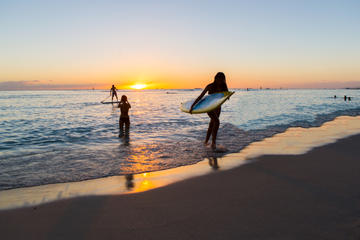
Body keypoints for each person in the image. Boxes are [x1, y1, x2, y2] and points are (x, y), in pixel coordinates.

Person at [189, 72, 229, 149]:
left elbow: (225, 95)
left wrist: (227, 96)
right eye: (219, 79)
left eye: (222, 79)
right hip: (209, 107)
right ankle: (213, 143)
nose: (221, 81)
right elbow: (201, 96)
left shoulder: (223, 86)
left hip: (217, 107)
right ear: (216, 78)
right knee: (217, 122)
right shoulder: (210, 86)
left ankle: (206, 142)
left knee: (212, 124)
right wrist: (192, 106)